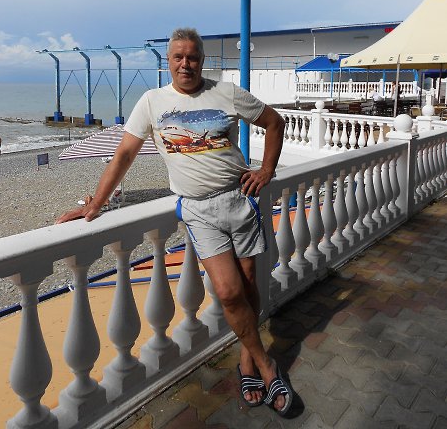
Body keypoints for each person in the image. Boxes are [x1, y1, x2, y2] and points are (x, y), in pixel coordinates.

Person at [56, 28, 292, 416]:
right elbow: (124, 155)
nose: (186, 64)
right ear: (168, 62)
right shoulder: (152, 102)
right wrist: (96, 202)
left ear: (202, 60)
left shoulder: (227, 93)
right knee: (229, 291)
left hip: (239, 199)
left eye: (193, 57)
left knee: (250, 284)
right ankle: (267, 365)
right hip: (198, 210)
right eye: (178, 57)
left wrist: (266, 169)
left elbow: (275, 123)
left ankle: (247, 361)